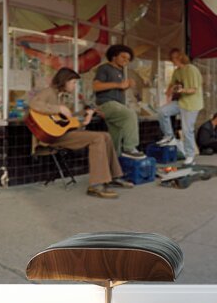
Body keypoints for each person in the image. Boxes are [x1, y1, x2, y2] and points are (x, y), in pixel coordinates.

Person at [30, 68, 134, 199]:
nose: (75, 86)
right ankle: (96, 185)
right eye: (73, 82)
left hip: (62, 134)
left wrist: (86, 118)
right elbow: (34, 104)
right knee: (97, 138)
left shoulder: (62, 96)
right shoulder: (49, 92)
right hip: (51, 137)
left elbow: (65, 122)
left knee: (105, 136)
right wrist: (58, 108)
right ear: (65, 81)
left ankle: (114, 177)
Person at [93, 44, 145, 159]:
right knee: (130, 114)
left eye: (128, 59)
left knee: (115, 138)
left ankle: (113, 169)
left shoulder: (121, 72)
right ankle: (130, 147)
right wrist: (119, 84)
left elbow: (116, 88)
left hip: (116, 106)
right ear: (114, 56)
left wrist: (126, 86)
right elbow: (96, 86)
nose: (126, 60)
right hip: (107, 104)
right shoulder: (104, 68)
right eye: (123, 57)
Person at [155, 48, 204, 165]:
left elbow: (193, 89)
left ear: (181, 58)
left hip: (192, 104)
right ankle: (169, 136)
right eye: (172, 58)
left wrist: (182, 90)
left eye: (175, 58)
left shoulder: (191, 69)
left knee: (187, 130)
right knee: (162, 111)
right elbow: (172, 84)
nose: (173, 61)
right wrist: (168, 94)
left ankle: (190, 155)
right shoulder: (177, 71)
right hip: (181, 101)